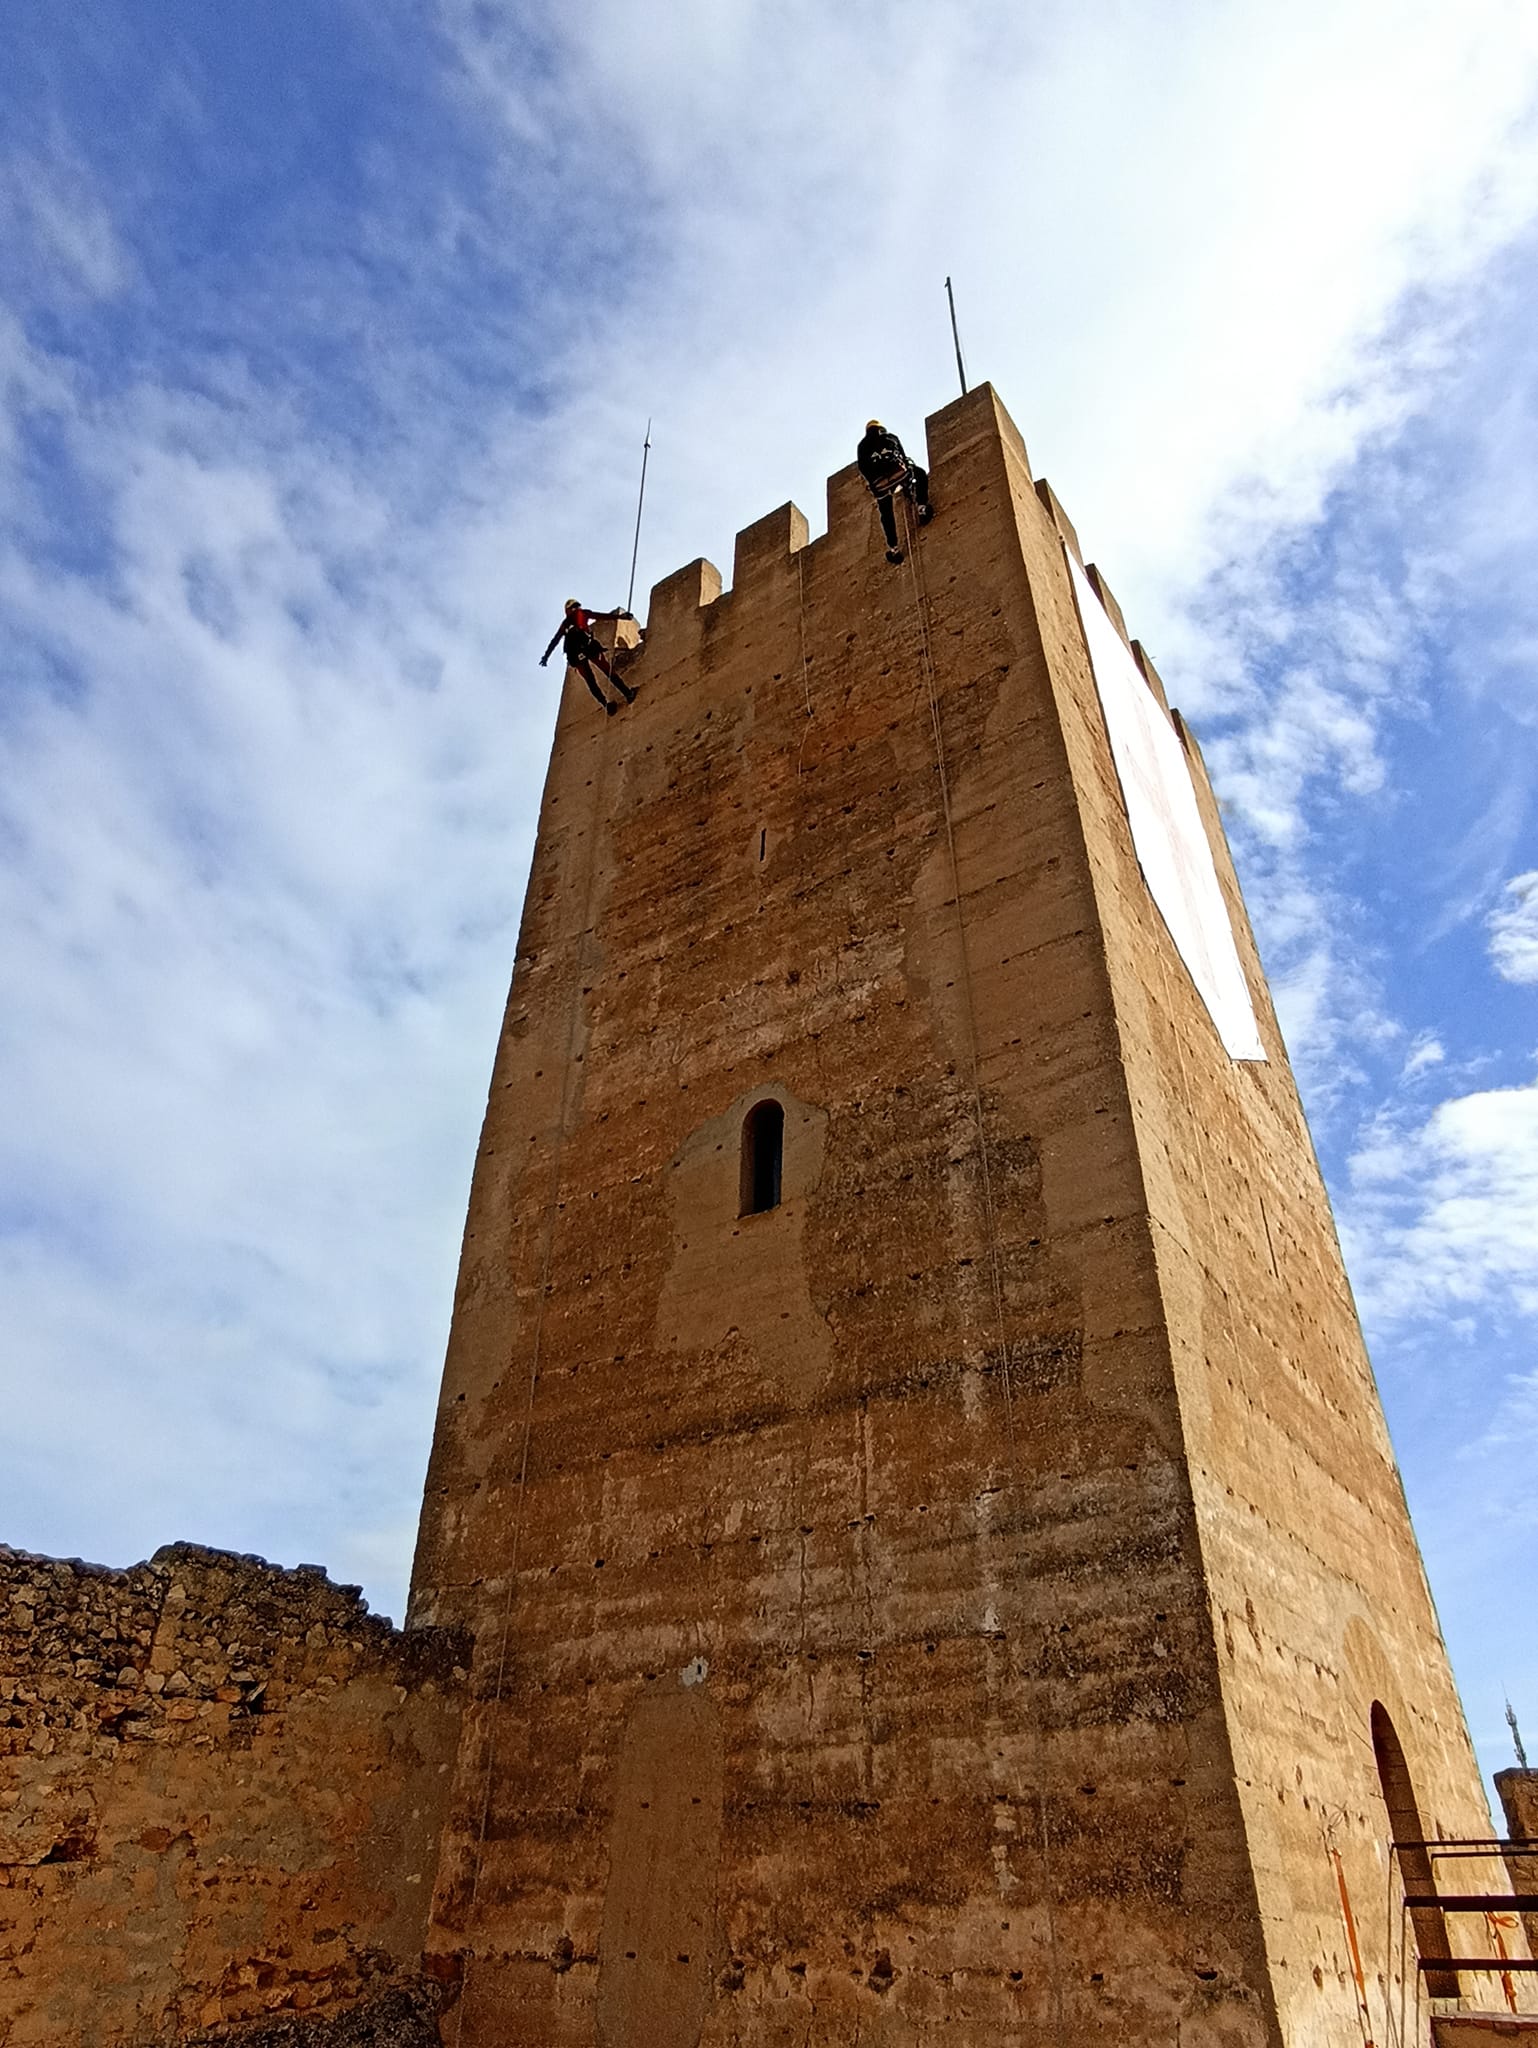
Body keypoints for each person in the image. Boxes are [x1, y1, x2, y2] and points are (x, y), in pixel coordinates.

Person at [856, 419, 934, 564]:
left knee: (886, 513)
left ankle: (894, 548)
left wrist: (873, 483)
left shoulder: (862, 446)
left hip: (880, 484)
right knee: (920, 474)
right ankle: (922, 508)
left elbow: (862, 467)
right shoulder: (890, 437)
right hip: (899, 473)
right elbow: (902, 456)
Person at [540, 600, 637, 714]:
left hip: (575, 657)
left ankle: (607, 706)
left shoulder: (565, 624)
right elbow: (601, 616)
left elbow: (555, 641)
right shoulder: (582, 613)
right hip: (590, 648)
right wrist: (622, 617)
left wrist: (546, 657)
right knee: (608, 671)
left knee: (591, 682)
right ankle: (628, 694)